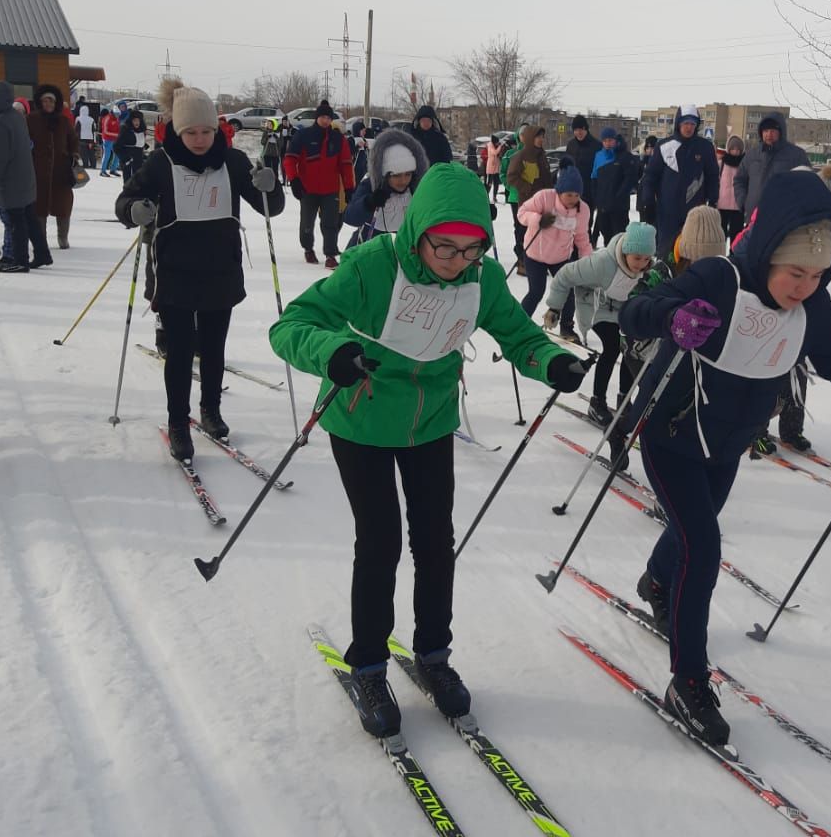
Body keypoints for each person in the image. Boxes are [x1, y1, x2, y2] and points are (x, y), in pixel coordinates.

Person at [618, 169, 831, 744]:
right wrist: (674, 318)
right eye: (795, 272)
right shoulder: (718, 278)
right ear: (768, 255)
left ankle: (655, 583)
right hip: (671, 435)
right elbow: (638, 310)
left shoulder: (809, 309)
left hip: (727, 444)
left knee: (694, 533)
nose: (805, 286)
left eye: (817, 276)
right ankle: (687, 680)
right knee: (703, 544)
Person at [269, 162, 586, 738]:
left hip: (431, 421)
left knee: (436, 540)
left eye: (471, 251)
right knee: (382, 539)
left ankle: (433, 655)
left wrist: (552, 361)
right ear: (418, 231)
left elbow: (518, 336)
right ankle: (367, 662)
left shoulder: (480, 279)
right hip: (361, 417)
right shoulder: (373, 266)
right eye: (444, 247)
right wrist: (331, 351)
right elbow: (293, 323)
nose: (456, 261)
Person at [115, 81, 282, 461]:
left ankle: (210, 410)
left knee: (213, 347)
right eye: (191, 132)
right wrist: (134, 210)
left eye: (207, 131)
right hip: (173, 272)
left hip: (220, 271)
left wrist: (270, 188)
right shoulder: (160, 163)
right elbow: (126, 200)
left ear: (217, 129)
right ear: (178, 130)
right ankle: (179, 421)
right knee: (178, 350)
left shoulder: (234, 162)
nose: (200, 139)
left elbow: (269, 207)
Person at [545, 221, 656, 424]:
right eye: (637, 258)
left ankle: (624, 400)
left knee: (632, 348)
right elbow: (564, 276)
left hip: (623, 309)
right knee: (613, 347)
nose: (641, 263)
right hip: (595, 308)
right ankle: (597, 402)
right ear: (625, 251)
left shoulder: (648, 268)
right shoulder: (602, 263)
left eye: (646, 259)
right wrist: (554, 307)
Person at [518, 163, 591, 343]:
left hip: (561, 257)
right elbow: (522, 213)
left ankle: (566, 327)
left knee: (568, 291)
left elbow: (582, 238)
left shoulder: (583, 210)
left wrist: (588, 262)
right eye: (569, 194)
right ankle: (518, 325)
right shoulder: (545, 197)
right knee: (536, 291)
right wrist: (538, 219)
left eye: (576, 195)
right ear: (559, 191)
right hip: (535, 254)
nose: (573, 199)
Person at [639, 105, 720, 258]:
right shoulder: (663, 146)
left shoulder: (705, 147)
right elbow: (650, 176)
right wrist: (648, 201)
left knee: (692, 253)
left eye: (692, 124)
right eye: (685, 123)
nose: (689, 127)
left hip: (695, 212)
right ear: (678, 124)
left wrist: (713, 200)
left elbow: (712, 176)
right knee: (665, 252)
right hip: (667, 212)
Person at [285, 100, 354, 268]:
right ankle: (308, 249)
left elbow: (345, 164)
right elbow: (289, 159)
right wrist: (294, 180)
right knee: (307, 222)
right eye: (322, 117)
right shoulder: (303, 135)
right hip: (308, 188)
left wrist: (349, 187)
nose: (325, 120)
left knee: (330, 223)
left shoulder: (338, 139)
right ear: (317, 118)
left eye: (328, 118)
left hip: (330, 189)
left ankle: (330, 254)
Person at [0, 81, 52, 273]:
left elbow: (1, 156)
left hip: (12, 181)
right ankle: (42, 253)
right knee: (29, 217)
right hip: (26, 176)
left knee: (16, 221)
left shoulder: (2, 122)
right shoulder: (16, 116)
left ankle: (19, 260)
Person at [342, 129, 429, 246]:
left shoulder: (416, 189)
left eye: (408, 174)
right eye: (396, 175)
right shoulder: (371, 185)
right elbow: (350, 217)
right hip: (370, 249)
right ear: (384, 173)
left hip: (403, 251)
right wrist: (369, 202)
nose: (403, 180)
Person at [27, 84, 77, 255]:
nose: (48, 104)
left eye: (51, 101)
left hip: (61, 171)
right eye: (44, 101)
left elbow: (73, 140)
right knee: (39, 207)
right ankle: (40, 240)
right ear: (40, 103)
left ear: (56, 103)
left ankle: (63, 237)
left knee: (63, 206)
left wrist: (74, 156)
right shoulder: (31, 119)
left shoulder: (63, 121)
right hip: (38, 170)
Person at [734, 111, 811, 221]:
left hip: (783, 218)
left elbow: (807, 184)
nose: (769, 134)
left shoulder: (796, 155)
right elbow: (739, 180)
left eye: (773, 131)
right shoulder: (752, 155)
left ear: (781, 132)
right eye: (765, 130)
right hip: (753, 217)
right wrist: (743, 202)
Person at [505, 125, 552, 274]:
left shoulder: (541, 156)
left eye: (542, 137)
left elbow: (546, 178)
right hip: (526, 202)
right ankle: (522, 262)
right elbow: (511, 177)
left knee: (540, 232)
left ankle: (536, 263)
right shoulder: (521, 155)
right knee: (524, 232)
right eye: (538, 137)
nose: (541, 140)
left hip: (542, 202)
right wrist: (528, 188)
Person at [590, 128, 642, 246]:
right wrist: (596, 198)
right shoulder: (598, 156)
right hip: (603, 205)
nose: (608, 143)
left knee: (619, 237)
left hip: (619, 206)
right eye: (605, 141)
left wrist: (619, 196)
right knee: (606, 235)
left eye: (610, 140)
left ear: (615, 140)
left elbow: (630, 179)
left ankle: (620, 261)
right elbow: (594, 177)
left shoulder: (623, 156)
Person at [565, 115, 603, 228]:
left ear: (586, 129)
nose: (578, 132)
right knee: (571, 223)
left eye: (581, 129)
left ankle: (586, 244)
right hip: (572, 191)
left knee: (586, 224)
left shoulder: (596, 146)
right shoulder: (571, 145)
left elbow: (600, 170)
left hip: (588, 191)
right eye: (576, 130)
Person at [717, 135, 746, 242]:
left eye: (738, 149)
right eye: (733, 148)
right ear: (728, 149)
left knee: (737, 236)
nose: (736, 151)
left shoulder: (744, 165)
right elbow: (716, 181)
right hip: (722, 205)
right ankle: (720, 255)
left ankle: (734, 256)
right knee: (720, 234)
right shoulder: (721, 164)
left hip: (738, 205)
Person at [115, 109, 148, 184]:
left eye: (138, 120)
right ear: (131, 121)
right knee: (128, 183)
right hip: (128, 160)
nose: (136, 122)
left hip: (138, 160)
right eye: (134, 120)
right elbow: (116, 146)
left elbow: (139, 143)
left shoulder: (142, 130)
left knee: (138, 182)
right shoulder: (125, 129)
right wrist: (125, 159)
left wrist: (144, 151)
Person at [483, 132, 505, 202]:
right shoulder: (490, 146)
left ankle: (494, 197)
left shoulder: (495, 146)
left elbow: (498, 154)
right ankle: (486, 196)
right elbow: (494, 153)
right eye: (496, 143)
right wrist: (500, 146)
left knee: (496, 183)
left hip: (496, 167)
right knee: (489, 183)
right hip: (491, 167)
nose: (497, 144)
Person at [99, 107, 121, 177]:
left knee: (118, 154)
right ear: (113, 113)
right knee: (107, 155)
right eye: (116, 114)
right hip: (107, 139)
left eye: (118, 114)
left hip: (114, 139)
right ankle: (102, 171)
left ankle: (113, 169)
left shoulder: (116, 119)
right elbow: (105, 131)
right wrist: (116, 134)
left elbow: (118, 128)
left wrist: (120, 134)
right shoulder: (107, 118)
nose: (117, 116)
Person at [75, 104, 96, 169]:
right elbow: (94, 129)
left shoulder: (78, 118)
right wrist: (93, 140)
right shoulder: (91, 119)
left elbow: (76, 129)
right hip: (90, 138)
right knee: (91, 153)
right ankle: (93, 165)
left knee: (84, 153)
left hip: (81, 138)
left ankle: (86, 164)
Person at [277, 116, 294, 182]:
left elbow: (293, 136)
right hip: (282, 148)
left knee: (289, 164)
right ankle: (284, 179)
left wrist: (289, 134)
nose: (285, 122)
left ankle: (289, 179)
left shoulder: (291, 128)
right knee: (283, 164)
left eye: (286, 121)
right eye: (283, 121)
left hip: (289, 149)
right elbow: (277, 135)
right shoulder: (279, 127)